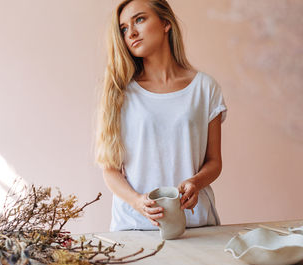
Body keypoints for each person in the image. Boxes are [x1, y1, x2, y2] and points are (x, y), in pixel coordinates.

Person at [95, 0, 227, 231]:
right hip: (135, 229)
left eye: (139, 19)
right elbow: (110, 169)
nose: (131, 33)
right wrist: (137, 202)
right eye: (124, 28)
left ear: (166, 22)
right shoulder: (120, 93)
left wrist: (195, 183)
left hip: (195, 226)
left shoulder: (205, 88)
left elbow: (214, 161)